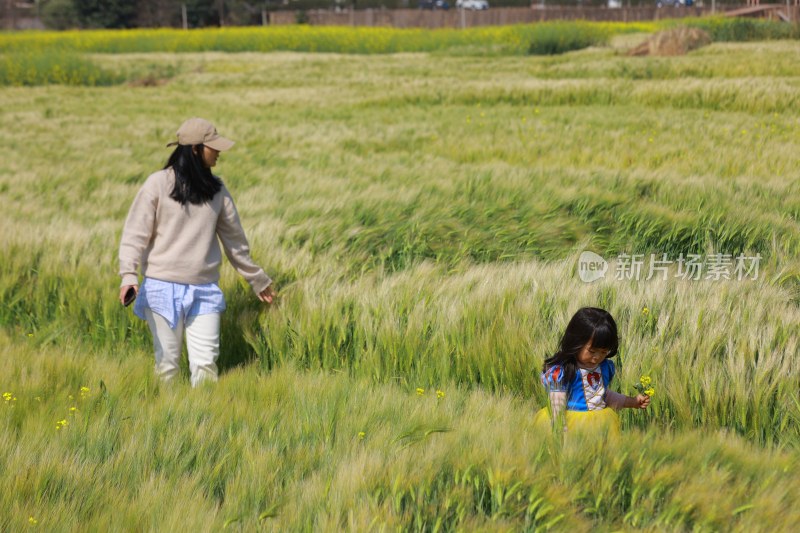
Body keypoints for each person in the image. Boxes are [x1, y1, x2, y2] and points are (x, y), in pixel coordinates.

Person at [118, 118, 275, 387]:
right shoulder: (157, 184)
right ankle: (166, 425)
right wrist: (128, 276)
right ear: (194, 150)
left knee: (205, 365)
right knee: (167, 365)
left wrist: (257, 279)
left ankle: (204, 424)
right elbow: (135, 235)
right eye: (212, 147)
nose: (219, 152)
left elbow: (235, 243)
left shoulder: (218, 191)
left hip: (204, 291)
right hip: (160, 288)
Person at [536, 307, 650, 435]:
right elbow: (557, 402)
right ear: (576, 342)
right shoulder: (564, 370)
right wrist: (559, 428)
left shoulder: (604, 367)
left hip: (600, 426)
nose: (597, 357)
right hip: (572, 425)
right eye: (592, 351)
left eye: (603, 352)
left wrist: (632, 402)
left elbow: (604, 396)